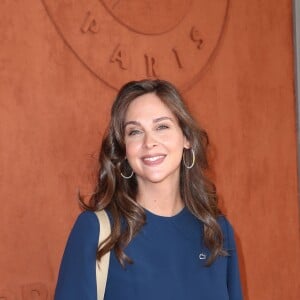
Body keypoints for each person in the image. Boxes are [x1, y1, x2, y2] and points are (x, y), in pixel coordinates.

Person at [54, 79, 243, 299]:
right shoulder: (96, 231)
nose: (149, 142)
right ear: (124, 149)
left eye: (161, 126)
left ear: (187, 138)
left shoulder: (217, 232)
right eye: (134, 132)